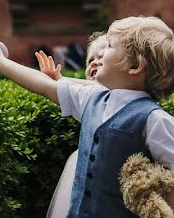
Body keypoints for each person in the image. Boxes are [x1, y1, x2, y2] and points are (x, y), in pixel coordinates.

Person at [0, 16, 174, 217]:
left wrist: (161, 213)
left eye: (109, 47)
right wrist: (0, 62)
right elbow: (45, 86)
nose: (100, 54)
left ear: (134, 66)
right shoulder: (92, 97)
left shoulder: (155, 119)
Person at [40, 32, 107, 218]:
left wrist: (61, 80)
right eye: (90, 60)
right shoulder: (88, 97)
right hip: (83, 167)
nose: (94, 62)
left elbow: (96, 88)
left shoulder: (121, 93)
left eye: (101, 57)